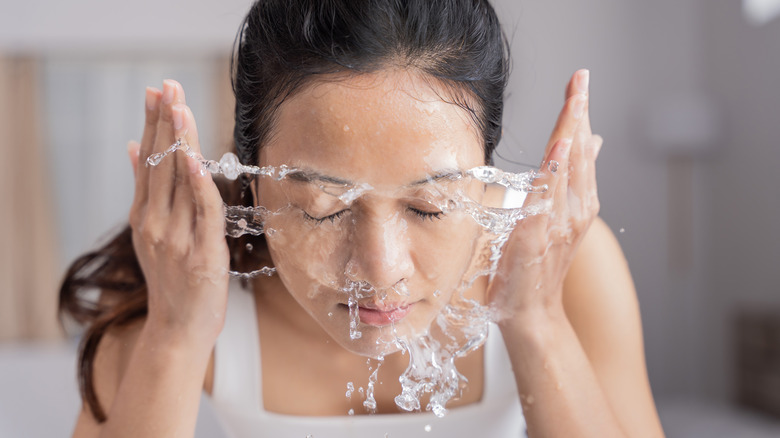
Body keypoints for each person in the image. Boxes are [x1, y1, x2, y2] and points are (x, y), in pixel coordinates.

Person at [60, 0, 665, 436]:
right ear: (253, 180)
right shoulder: (180, 286)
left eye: (431, 206)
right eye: (324, 210)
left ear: (484, 169)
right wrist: (174, 334)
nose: (380, 270)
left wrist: (535, 319)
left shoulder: (565, 264)